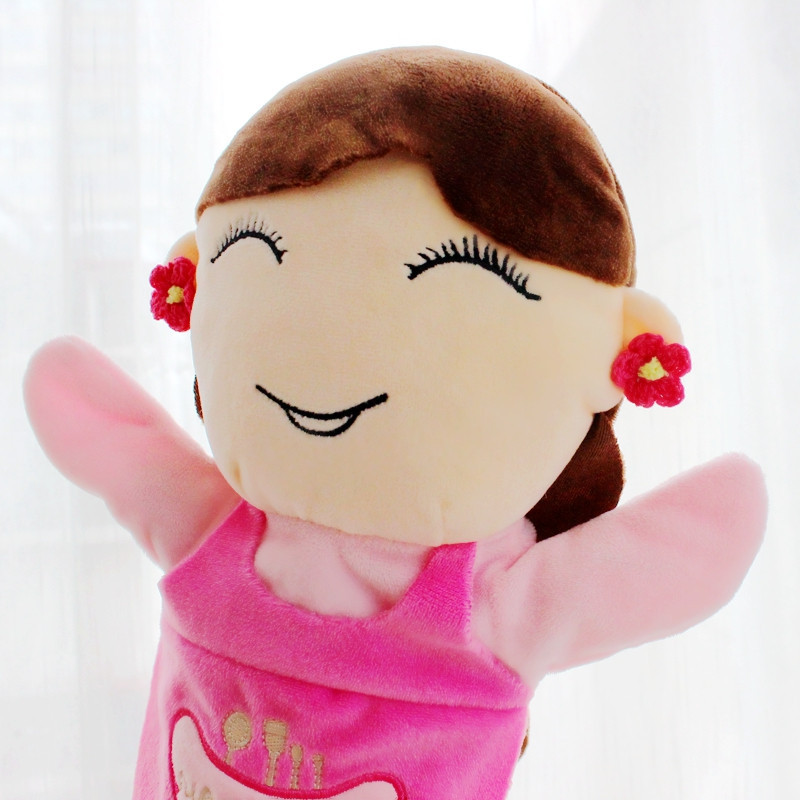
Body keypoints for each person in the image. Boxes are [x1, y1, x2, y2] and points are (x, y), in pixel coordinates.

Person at [24, 47, 766, 800]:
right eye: (260, 254)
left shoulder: (470, 605)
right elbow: (686, 551)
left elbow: (103, 431)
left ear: (623, 349)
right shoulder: (478, 613)